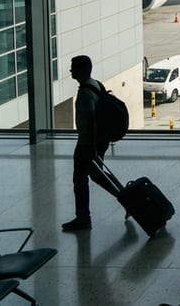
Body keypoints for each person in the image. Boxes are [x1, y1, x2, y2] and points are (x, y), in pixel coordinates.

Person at [62, 55, 118, 231]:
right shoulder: (96, 84)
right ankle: (126, 199)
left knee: (80, 179)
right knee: (95, 174)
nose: (71, 70)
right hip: (99, 141)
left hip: (87, 144)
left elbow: (90, 122)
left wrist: (90, 148)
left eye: (73, 67)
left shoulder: (85, 93)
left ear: (81, 70)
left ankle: (83, 217)